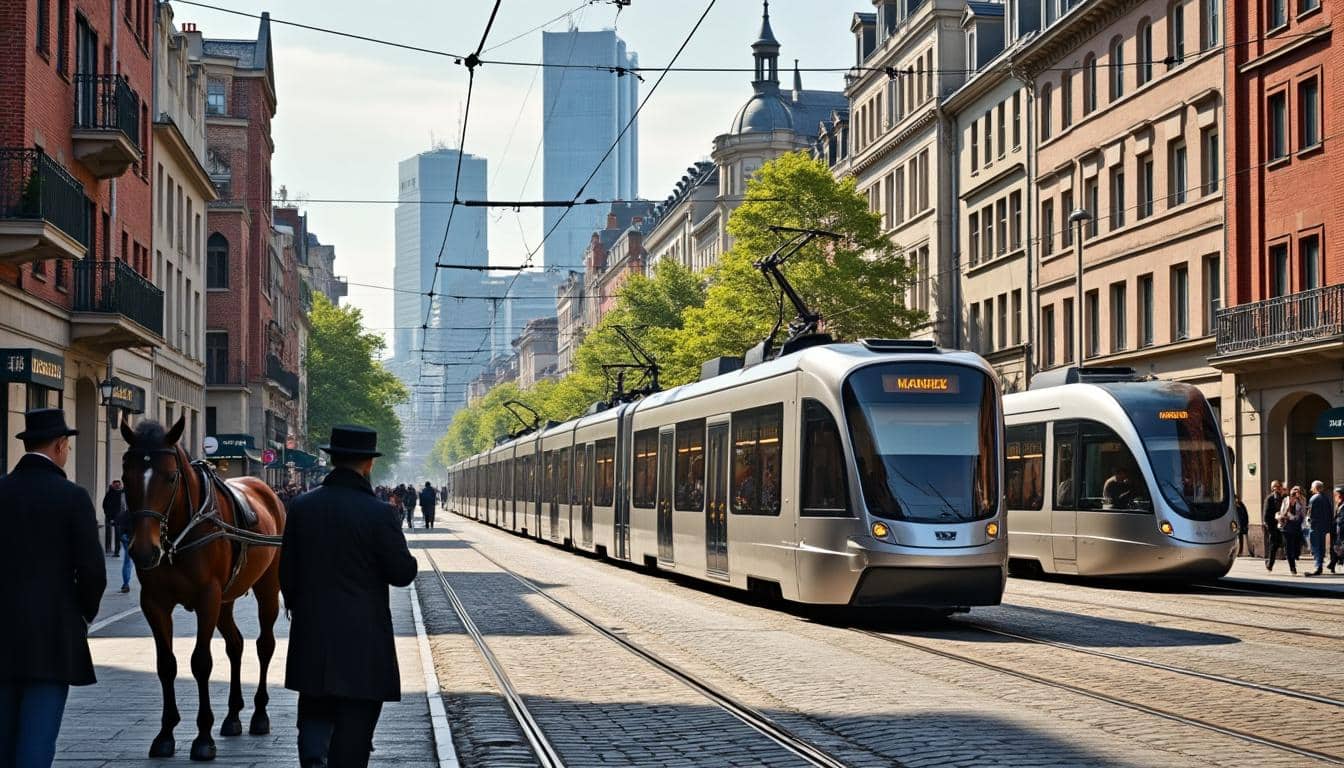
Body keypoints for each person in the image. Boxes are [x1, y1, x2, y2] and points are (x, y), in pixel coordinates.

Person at [281, 425, 417, 768]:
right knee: (354, 735)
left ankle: (313, 759)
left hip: (313, 636)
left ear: (332, 459)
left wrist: (303, 609)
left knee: (313, 712)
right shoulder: (379, 513)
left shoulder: (301, 507)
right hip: (363, 643)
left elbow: (287, 575)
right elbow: (402, 574)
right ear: (368, 464)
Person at [0, 408, 106, 767]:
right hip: (52, 636)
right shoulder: (72, 497)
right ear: (61, 445)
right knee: (36, 741)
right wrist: (79, 615)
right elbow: (93, 572)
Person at [1306, 480, 1333, 576]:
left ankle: (1318, 566)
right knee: (1321, 547)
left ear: (1315, 488)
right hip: (1324, 527)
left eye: (1312, 487)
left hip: (1315, 526)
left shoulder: (1313, 498)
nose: (1311, 489)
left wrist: (1308, 522)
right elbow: (1330, 512)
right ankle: (1320, 565)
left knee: (1315, 547)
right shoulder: (1327, 498)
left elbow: (1310, 513)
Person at [1278, 485, 1306, 576]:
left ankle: (1295, 555)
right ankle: (1292, 567)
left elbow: (1303, 513)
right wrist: (1287, 510)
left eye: (1297, 492)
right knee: (1289, 548)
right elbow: (1282, 512)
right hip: (1287, 526)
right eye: (1293, 492)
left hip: (1297, 525)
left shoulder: (1302, 500)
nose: (1294, 494)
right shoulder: (1286, 500)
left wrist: (1300, 501)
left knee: (1297, 546)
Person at [1263, 481, 1285, 571]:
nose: (1278, 488)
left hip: (1282, 524)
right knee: (1273, 544)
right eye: (1276, 486)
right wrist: (1267, 524)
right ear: (1272, 488)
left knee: (1279, 543)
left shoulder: (1283, 498)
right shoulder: (1269, 498)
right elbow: (1266, 513)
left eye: (1280, 486)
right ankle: (1270, 564)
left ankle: (1269, 561)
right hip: (1272, 524)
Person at [101, 479, 126, 556]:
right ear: (112, 485)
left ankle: (117, 551)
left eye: (118, 484)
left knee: (118, 535)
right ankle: (110, 549)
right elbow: (105, 505)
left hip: (120, 517)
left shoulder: (123, 493)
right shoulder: (109, 494)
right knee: (109, 533)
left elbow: (124, 505)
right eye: (115, 485)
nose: (117, 486)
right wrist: (108, 515)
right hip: (110, 516)